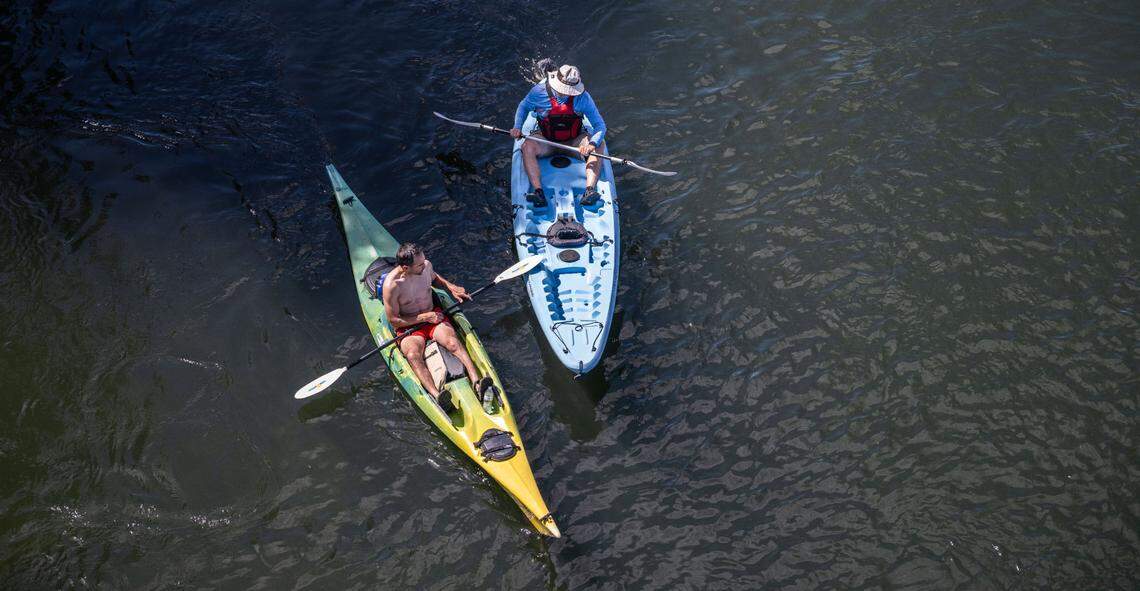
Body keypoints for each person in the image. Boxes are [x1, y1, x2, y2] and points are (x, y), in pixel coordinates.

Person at [381, 242, 494, 411]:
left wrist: (451, 287)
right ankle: (437, 396)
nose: (424, 265)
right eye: (419, 264)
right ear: (405, 268)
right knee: (412, 354)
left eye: (424, 260)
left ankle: (477, 382)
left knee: (453, 343)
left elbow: (435, 279)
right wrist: (423, 317)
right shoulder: (392, 286)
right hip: (409, 327)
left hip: (434, 316)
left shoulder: (425, 266)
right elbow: (394, 320)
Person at [510, 63, 608, 207]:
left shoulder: (583, 98)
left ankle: (589, 190)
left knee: (600, 144)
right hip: (546, 141)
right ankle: (538, 192)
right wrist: (517, 127)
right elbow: (523, 106)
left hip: (574, 142)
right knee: (527, 146)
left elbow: (600, 126)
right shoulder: (538, 92)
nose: (568, 93)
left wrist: (592, 144)